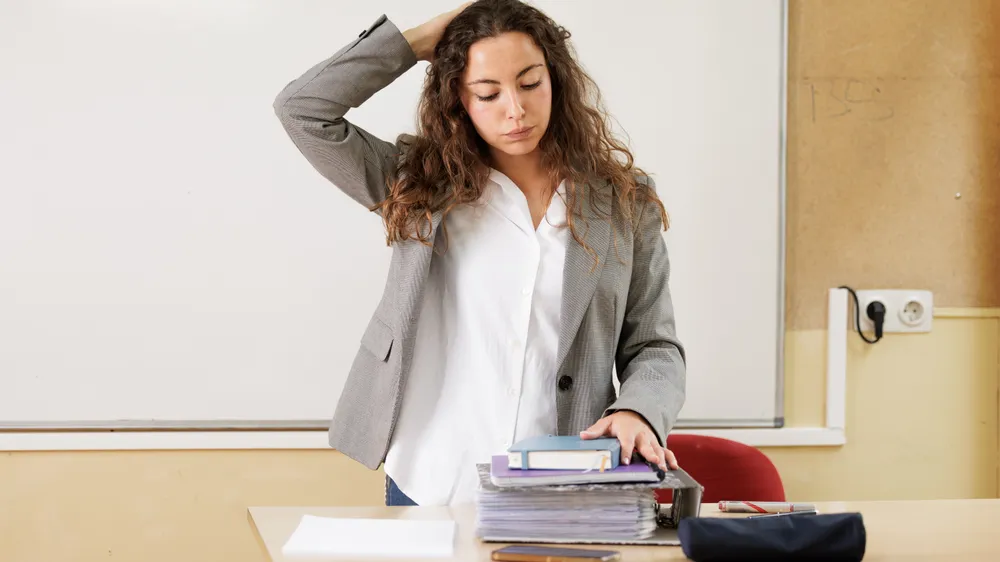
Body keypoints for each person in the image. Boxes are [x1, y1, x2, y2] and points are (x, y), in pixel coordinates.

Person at [272, 0, 686, 507]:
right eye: (487, 93)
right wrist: (414, 43)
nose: (515, 109)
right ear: (457, 101)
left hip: (565, 480)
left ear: (556, 79)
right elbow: (302, 110)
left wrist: (639, 410)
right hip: (432, 473)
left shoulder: (623, 201)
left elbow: (655, 346)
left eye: (531, 83)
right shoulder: (418, 184)